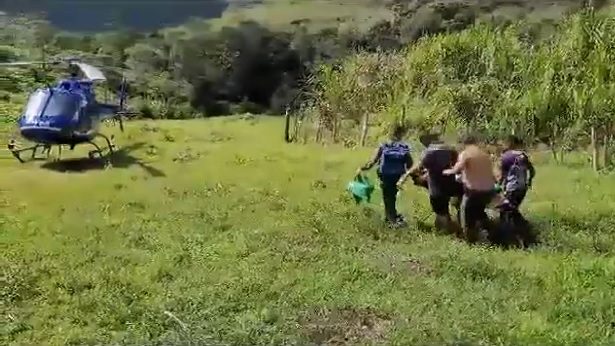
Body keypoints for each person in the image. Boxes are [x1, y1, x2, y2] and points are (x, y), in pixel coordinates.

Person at [398, 133, 463, 233]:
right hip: (451, 183)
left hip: (436, 186)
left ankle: (448, 232)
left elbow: (418, 167)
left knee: (441, 213)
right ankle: (456, 227)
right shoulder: (450, 149)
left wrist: (404, 177)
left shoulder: (429, 152)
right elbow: (456, 164)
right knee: (449, 207)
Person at [443, 136, 497, 243]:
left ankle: (469, 241)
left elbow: (457, 169)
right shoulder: (484, 155)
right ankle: (493, 233)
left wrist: (446, 172)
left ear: (465, 144)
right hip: (488, 190)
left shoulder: (466, 154)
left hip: (473, 191)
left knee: (465, 215)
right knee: (479, 212)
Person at [357, 123, 412, 227]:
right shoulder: (404, 147)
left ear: (390, 133)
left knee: (388, 197)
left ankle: (391, 220)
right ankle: (391, 217)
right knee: (392, 196)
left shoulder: (384, 145)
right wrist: (413, 175)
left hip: (385, 175)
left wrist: (363, 168)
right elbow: (410, 164)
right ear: (402, 134)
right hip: (398, 176)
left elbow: (373, 161)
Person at [499, 135, 535, 212]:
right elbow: (532, 171)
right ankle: (520, 223)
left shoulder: (505, 156)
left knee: (506, 211)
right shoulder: (523, 155)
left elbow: (503, 176)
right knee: (513, 209)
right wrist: (529, 181)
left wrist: (499, 186)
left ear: (509, 143)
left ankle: (520, 223)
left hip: (512, 188)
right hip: (522, 188)